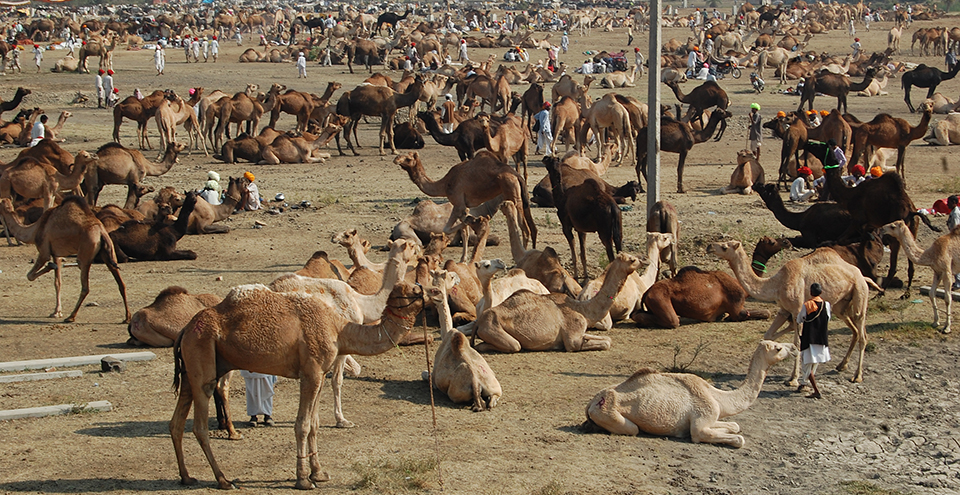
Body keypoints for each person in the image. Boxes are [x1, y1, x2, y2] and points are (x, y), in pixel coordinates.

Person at [797, 283, 831, 399]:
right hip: (821, 338)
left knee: (807, 364)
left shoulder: (807, 305)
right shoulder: (826, 305)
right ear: (821, 292)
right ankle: (804, 383)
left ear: (811, 292)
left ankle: (815, 390)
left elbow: (800, 319)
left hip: (809, 338)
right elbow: (828, 318)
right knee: (814, 362)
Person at [948, 195, 960, 288]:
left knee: (956, 260)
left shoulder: (955, 213)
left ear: (954, 203)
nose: (947, 204)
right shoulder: (954, 212)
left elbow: (956, 226)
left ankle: (958, 282)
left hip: (955, 239)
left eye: (949, 202)